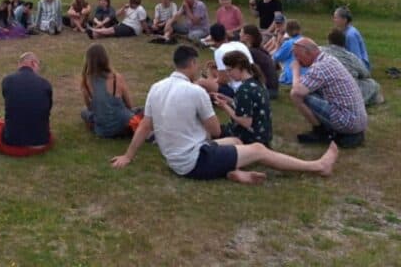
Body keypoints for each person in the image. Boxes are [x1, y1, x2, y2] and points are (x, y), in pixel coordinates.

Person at [110, 45, 338, 184]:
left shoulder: (156, 87)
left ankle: (233, 172)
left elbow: (145, 126)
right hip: (194, 161)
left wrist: (128, 156)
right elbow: (215, 130)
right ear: (192, 64)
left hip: (175, 157)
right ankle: (318, 167)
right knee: (258, 149)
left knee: (236, 141)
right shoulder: (196, 92)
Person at [290, 38, 368, 147]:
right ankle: (329, 131)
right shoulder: (329, 59)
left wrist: (295, 70)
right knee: (310, 90)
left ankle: (320, 132)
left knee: (296, 96)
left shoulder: (320, 67)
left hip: (347, 122)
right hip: (358, 120)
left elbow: (297, 91)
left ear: (308, 53)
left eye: (297, 56)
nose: (297, 60)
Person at [0, 52, 53, 156]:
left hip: (12, 144)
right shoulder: (45, 84)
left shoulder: (8, 81)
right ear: (33, 63)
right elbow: (47, 110)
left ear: (20, 64)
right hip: (42, 142)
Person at [80, 44, 143, 138]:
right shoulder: (116, 78)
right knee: (143, 110)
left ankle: (94, 124)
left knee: (84, 112)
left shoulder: (86, 80)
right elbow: (129, 105)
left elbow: (90, 107)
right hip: (122, 124)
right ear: (106, 59)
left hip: (102, 130)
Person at [215, 51, 272, 146]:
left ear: (239, 67)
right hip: (262, 135)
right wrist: (228, 100)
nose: (228, 74)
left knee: (213, 130)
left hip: (249, 138)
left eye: (230, 70)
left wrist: (225, 106)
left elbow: (245, 122)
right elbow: (249, 106)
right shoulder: (257, 83)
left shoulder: (244, 89)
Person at [322, 29, 383, 106]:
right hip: (347, 89)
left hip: (327, 89)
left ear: (329, 41)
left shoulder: (321, 52)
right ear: (344, 42)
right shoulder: (351, 57)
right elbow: (366, 73)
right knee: (373, 84)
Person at [203, 23, 254, 97]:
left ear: (212, 38)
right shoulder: (240, 44)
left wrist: (211, 82)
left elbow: (223, 80)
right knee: (212, 68)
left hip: (239, 90)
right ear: (225, 34)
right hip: (252, 83)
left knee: (201, 82)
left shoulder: (220, 51)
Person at [240, 24, 279, 99]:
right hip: (273, 89)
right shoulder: (261, 50)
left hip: (267, 91)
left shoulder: (251, 52)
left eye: (241, 32)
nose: (239, 34)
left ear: (247, 37)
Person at [333, 7, 370, 71]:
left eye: (336, 18)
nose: (334, 20)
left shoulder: (350, 35)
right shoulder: (344, 31)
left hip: (360, 68)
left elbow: (356, 58)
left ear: (344, 20)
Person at [271, 19, 304, 85]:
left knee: (273, 58)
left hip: (292, 74)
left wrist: (277, 44)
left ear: (287, 30)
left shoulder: (289, 43)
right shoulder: (304, 40)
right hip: (305, 74)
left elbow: (276, 57)